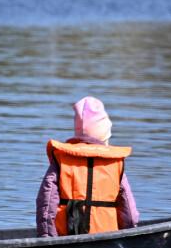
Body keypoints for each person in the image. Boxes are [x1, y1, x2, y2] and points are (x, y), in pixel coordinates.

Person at [36, 96, 140, 237]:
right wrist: (130, 234)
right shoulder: (115, 163)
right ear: (104, 134)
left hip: (66, 238)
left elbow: (47, 203)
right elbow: (129, 212)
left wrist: (47, 237)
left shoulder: (61, 158)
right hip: (107, 238)